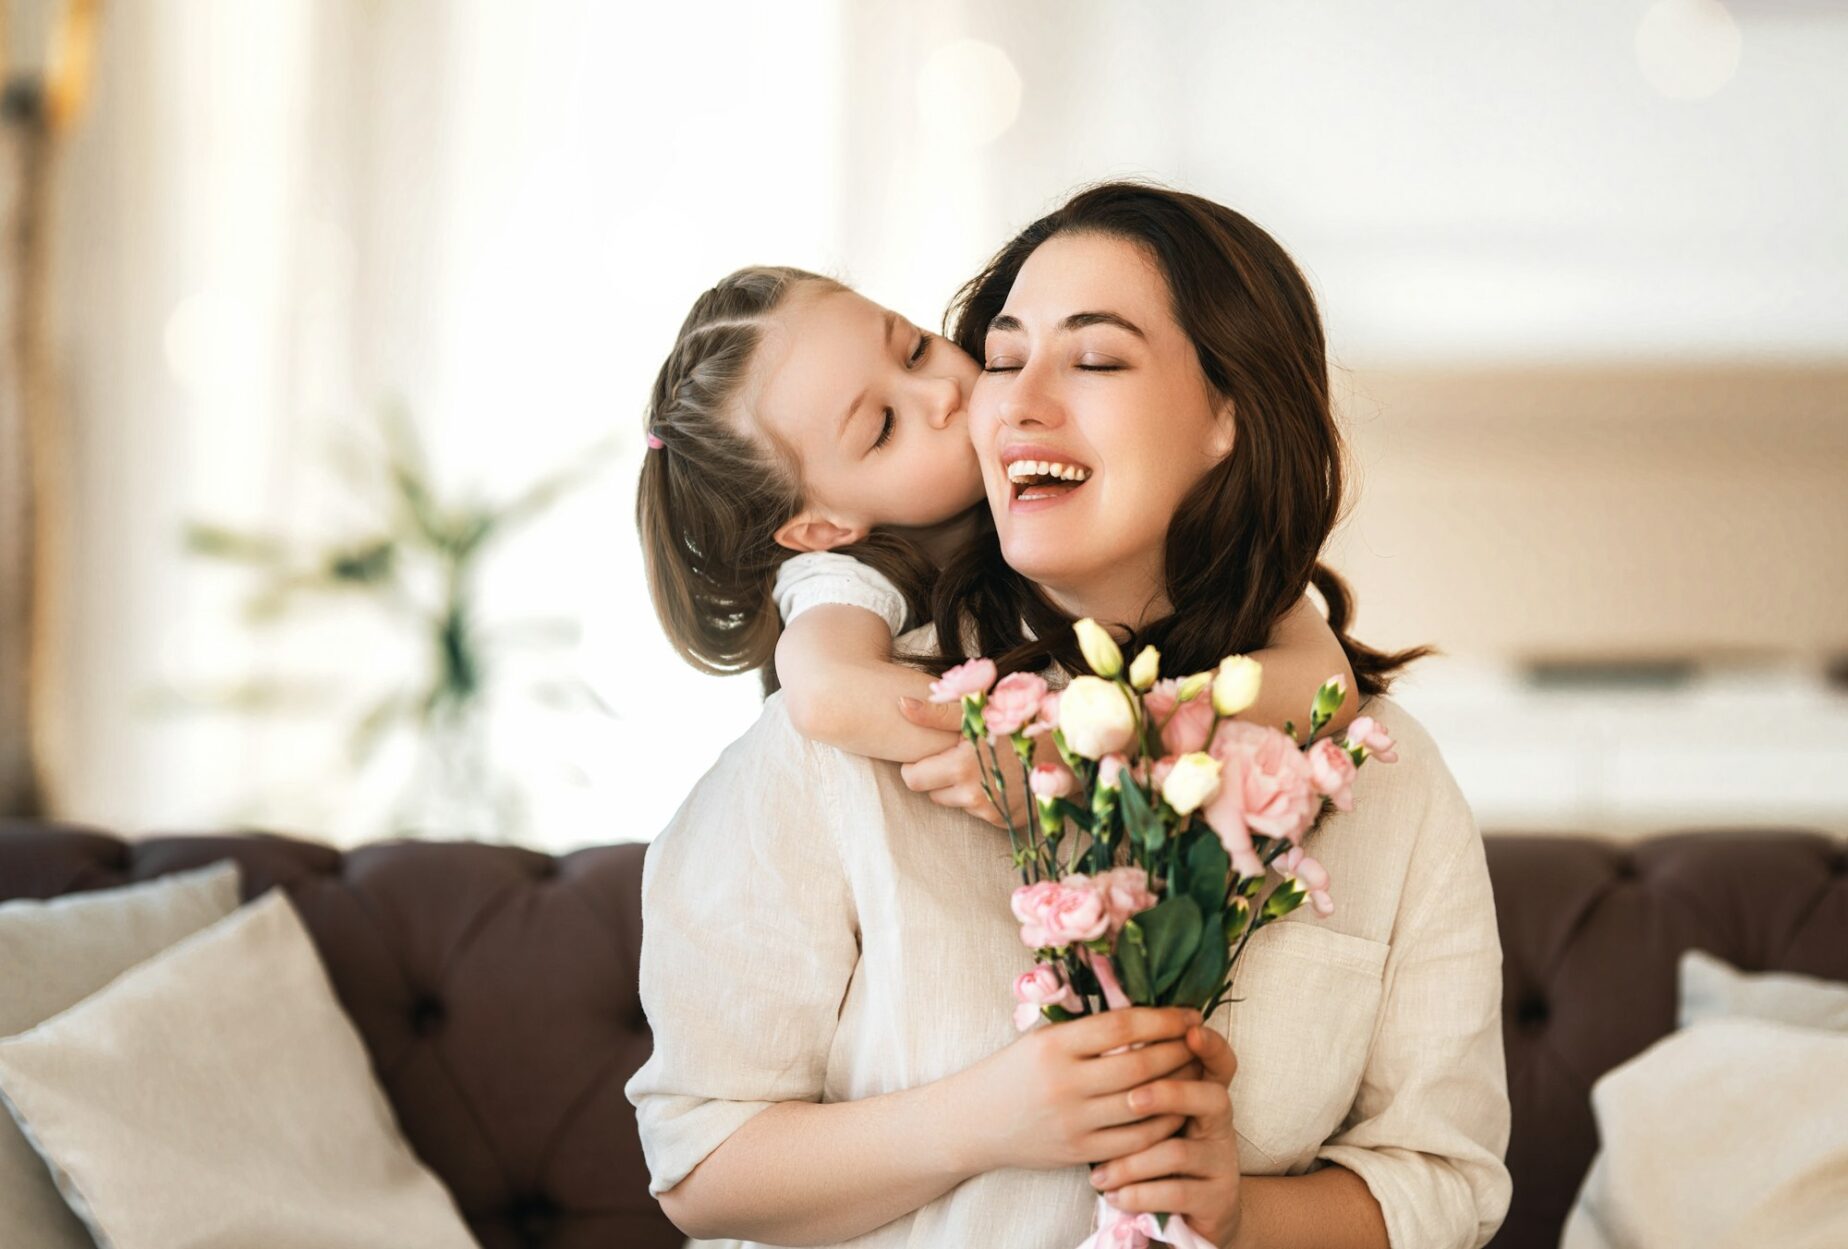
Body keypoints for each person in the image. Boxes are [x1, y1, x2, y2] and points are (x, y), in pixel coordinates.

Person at [626, 182, 1512, 1249]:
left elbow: (1444, 1185)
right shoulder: (838, 750)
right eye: (1003, 356)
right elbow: (701, 1166)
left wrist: (1239, 1211)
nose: (1013, 402)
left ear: (1230, 413)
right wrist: (988, 1117)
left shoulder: (1386, 778)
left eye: (1094, 360)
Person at [635, 264, 1359, 830]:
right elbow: (825, 692)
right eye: (884, 426)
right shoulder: (841, 579)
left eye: (915, 348)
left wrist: (1109, 735)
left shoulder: (1080, 491)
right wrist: (1036, 739)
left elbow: (1325, 681)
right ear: (821, 527)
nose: (943, 393)